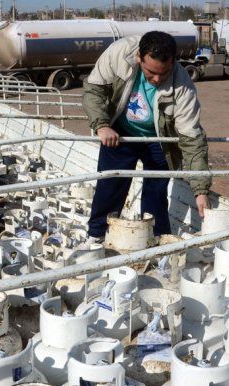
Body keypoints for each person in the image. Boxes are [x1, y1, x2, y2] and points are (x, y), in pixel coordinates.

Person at [82, 31, 211, 243]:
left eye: (164, 73)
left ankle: (157, 240)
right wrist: (102, 125)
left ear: (174, 61)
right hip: (120, 134)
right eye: (151, 72)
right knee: (110, 185)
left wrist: (200, 190)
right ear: (139, 56)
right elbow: (93, 90)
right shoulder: (119, 54)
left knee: (156, 191)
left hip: (160, 140)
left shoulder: (183, 85)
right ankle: (95, 236)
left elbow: (192, 139)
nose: (157, 79)